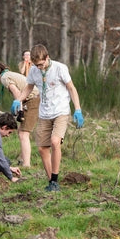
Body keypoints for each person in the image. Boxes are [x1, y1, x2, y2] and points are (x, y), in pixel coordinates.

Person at [26, 43, 85, 192]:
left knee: (54, 141)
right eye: (36, 65)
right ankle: (52, 182)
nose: (39, 67)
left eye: (40, 64)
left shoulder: (60, 68)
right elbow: (28, 87)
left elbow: (72, 88)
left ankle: (55, 178)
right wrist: (18, 100)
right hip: (44, 113)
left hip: (61, 111)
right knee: (42, 149)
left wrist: (77, 109)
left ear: (47, 58)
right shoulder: (34, 71)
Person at [0, 60, 37, 169]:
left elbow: (16, 92)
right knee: (22, 132)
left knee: (23, 134)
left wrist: (19, 110)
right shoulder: (10, 74)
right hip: (31, 99)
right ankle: (23, 159)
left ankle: (26, 164)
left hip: (32, 100)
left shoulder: (4, 77)